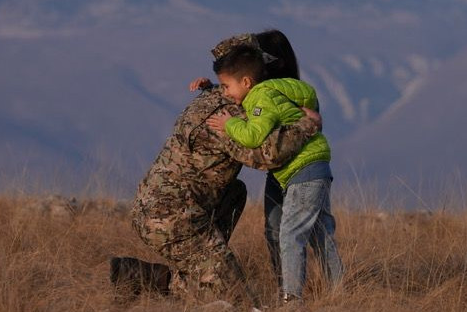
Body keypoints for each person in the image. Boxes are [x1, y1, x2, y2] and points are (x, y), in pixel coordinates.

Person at [130, 35, 322, 308]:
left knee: (235, 192)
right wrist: (306, 125)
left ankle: (136, 275)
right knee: (237, 299)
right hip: (169, 217)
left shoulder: (217, 97)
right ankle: (182, 273)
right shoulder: (227, 113)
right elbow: (267, 155)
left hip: (170, 208)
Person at [205, 39, 344, 303]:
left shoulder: (260, 97)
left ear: (246, 82)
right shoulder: (272, 91)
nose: (224, 93)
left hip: (302, 170)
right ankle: (339, 291)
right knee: (321, 234)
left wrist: (229, 123)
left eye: (226, 86)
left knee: (291, 233)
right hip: (317, 165)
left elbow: (254, 135)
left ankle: (291, 299)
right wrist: (208, 87)